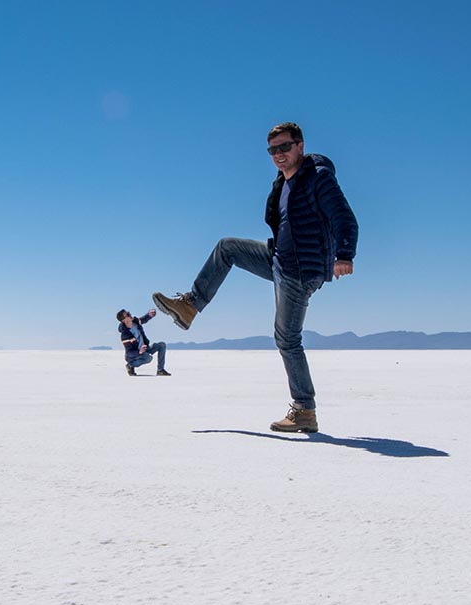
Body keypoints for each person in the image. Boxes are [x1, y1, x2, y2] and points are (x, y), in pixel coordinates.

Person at [153, 122, 357, 432]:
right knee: (228, 248)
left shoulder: (317, 177)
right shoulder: (284, 182)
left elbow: (344, 216)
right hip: (279, 260)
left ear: (300, 146)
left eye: (284, 147)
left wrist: (344, 254)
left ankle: (305, 410)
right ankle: (190, 306)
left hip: (300, 271)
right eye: (272, 150)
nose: (278, 154)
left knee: (287, 339)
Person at [117, 308, 170, 377]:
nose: (130, 314)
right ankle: (130, 365)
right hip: (135, 355)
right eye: (128, 314)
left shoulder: (135, 322)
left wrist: (149, 315)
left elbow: (143, 319)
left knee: (162, 345)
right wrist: (139, 351)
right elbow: (129, 352)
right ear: (124, 320)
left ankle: (160, 370)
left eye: (129, 312)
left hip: (145, 348)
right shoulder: (125, 335)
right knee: (148, 358)